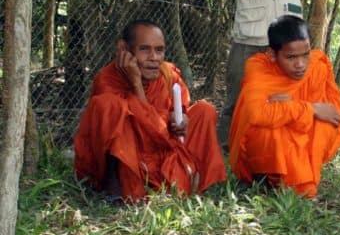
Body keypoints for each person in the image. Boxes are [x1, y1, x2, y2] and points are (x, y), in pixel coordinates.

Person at [73, 19, 226, 202]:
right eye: (144, 49)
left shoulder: (168, 73)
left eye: (159, 50)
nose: (154, 57)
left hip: (165, 148)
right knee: (108, 105)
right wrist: (137, 84)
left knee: (204, 110)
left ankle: (192, 177)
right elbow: (146, 129)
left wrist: (182, 118)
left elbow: (179, 108)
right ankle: (114, 189)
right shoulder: (107, 80)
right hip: (134, 156)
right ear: (124, 49)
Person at [228, 15, 340, 198]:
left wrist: (289, 108)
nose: (300, 64)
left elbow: (332, 113)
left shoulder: (317, 67)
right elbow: (256, 113)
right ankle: (266, 177)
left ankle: (297, 177)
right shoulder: (258, 67)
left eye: (305, 54)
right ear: (272, 55)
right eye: (290, 57)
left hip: (301, 133)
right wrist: (310, 109)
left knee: (324, 126)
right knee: (271, 130)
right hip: (268, 142)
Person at [216, 0, 303, 150]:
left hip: (286, 39)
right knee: (237, 95)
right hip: (249, 38)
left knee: (282, 98)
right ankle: (224, 147)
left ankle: (275, 150)